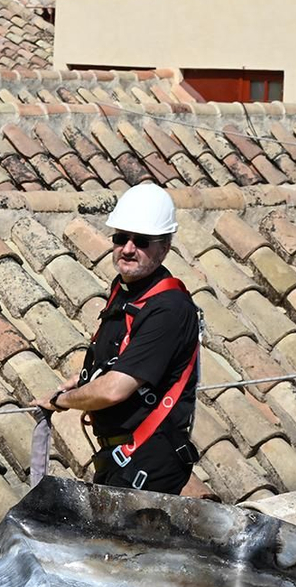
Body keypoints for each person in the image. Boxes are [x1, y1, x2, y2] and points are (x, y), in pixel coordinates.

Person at [31, 182, 202, 495]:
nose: (128, 248)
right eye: (121, 238)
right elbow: (122, 357)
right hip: (123, 461)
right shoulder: (126, 290)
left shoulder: (169, 308)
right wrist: (82, 380)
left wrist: (60, 401)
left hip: (148, 468)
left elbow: (113, 390)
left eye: (142, 241)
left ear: (164, 247)